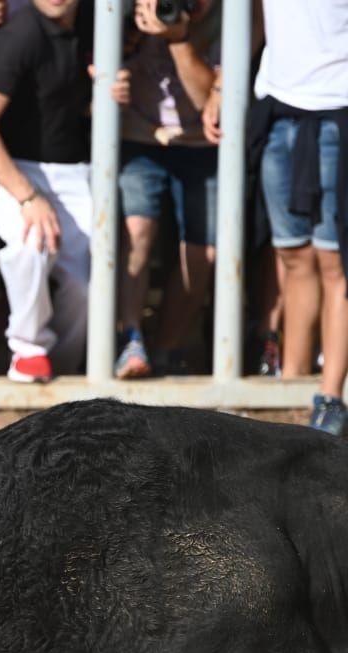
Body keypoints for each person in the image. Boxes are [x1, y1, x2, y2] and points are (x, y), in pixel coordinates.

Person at [0, 0, 125, 383]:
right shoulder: (21, 32)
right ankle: (28, 349)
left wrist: (117, 91)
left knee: (89, 282)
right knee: (29, 243)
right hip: (17, 168)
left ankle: (61, 366)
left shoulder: (101, 24)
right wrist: (27, 195)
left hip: (78, 171)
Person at [207, 0, 347, 433]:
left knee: (335, 263)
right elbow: (251, 19)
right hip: (277, 111)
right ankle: (293, 389)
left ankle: (330, 397)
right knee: (293, 258)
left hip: (337, 110)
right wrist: (221, 88)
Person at [114, 0, 220, 378]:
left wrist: (179, 38)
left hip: (204, 145)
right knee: (136, 232)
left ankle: (167, 348)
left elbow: (204, 98)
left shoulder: (233, 17)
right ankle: (131, 340)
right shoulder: (130, 11)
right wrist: (129, 36)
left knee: (203, 253)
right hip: (139, 138)